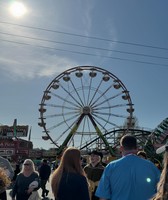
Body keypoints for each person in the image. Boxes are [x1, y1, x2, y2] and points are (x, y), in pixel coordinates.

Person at [96, 134, 160, 200]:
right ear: (137, 148)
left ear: (121, 148)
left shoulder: (111, 167)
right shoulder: (151, 166)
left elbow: (103, 196)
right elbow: (161, 190)